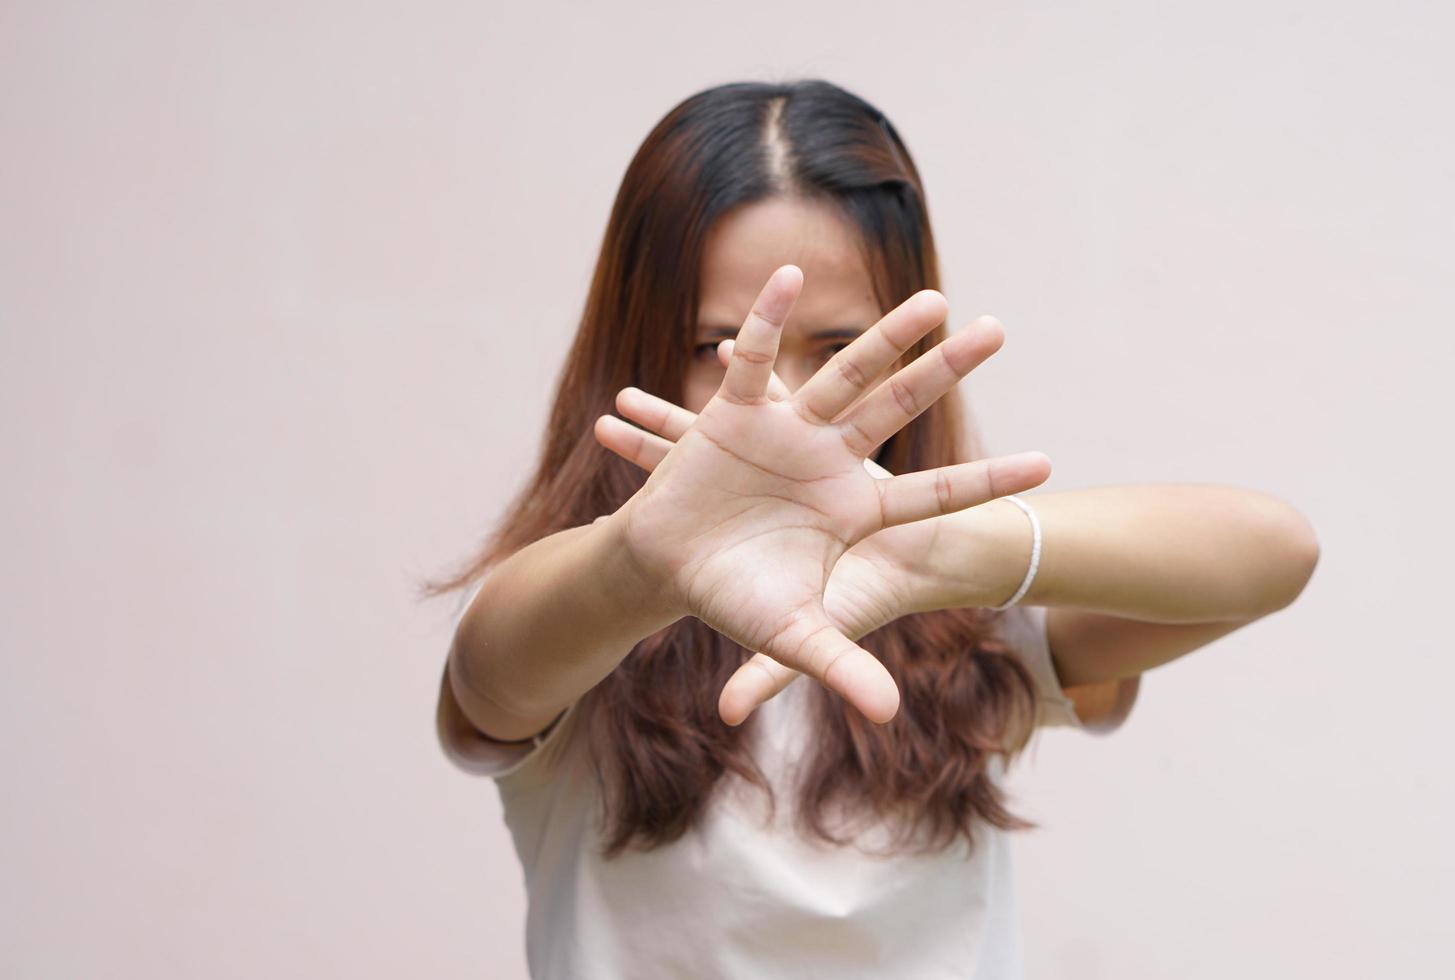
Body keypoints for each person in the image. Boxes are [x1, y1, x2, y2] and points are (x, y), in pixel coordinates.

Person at [428, 79, 1319, 979]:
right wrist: (646, 562)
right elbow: (484, 688)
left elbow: (1275, 551)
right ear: (638, 347)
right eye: (720, 351)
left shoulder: (975, 626)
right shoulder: (573, 609)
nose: (781, 402)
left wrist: (940, 555)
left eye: (840, 344)